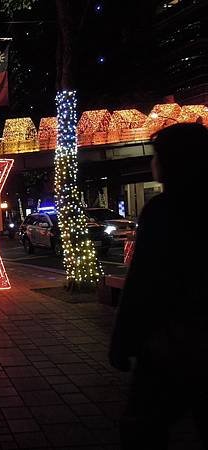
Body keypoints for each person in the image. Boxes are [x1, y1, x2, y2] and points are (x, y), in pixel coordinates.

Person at [109, 123, 208, 449]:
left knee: (141, 426)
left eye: (157, 156)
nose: (154, 163)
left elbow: (143, 282)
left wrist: (123, 342)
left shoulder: (163, 211)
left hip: (171, 343)